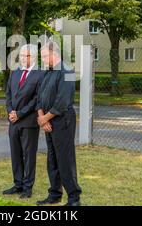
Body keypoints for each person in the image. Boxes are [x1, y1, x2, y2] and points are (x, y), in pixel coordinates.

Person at [35, 41, 82, 206]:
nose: (42, 60)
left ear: (54, 54)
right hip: (48, 120)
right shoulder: (47, 73)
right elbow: (38, 97)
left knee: (65, 159)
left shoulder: (67, 71)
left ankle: (74, 197)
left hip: (63, 121)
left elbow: (62, 101)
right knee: (52, 159)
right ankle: (55, 194)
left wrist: (45, 118)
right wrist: (42, 118)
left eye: (44, 56)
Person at [3, 44, 45, 199]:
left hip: (29, 122)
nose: (21, 58)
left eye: (24, 56)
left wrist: (19, 113)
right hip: (13, 121)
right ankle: (18, 184)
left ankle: (28, 187)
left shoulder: (40, 74)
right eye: (20, 55)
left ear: (32, 57)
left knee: (28, 155)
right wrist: (10, 112)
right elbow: (8, 95)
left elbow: (37, 99)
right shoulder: (15, 73)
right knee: (16, 154)